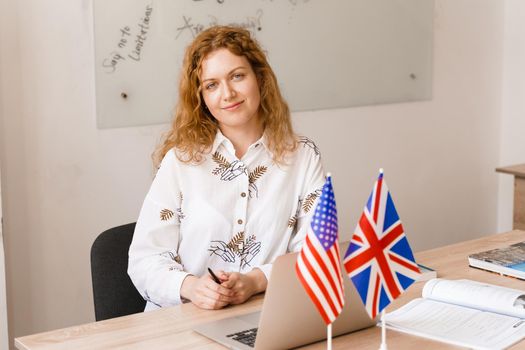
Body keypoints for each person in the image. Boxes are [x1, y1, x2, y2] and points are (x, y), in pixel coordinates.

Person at [128, 25, 324, 311]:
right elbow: (145, 261)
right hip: (184, 323)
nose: (227, 93)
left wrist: (256, 281)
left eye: (237, 76)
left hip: (268, 318)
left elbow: (317, 253)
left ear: (259, 78)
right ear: (201, 98)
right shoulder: (180, 161)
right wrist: (193, 287)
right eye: (211, 85)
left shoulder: (303, 156)